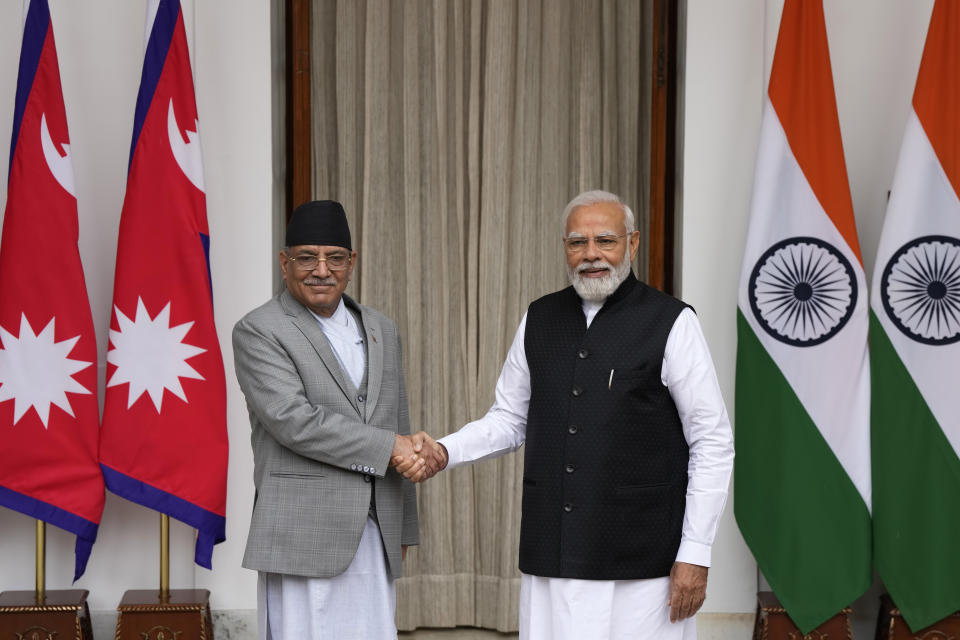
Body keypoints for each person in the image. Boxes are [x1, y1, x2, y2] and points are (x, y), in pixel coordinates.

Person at [396, 190, 735, 640]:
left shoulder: (672, 322)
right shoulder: (539, 317)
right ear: (564, 249)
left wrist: (695, 553)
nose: (591, 254)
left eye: (605, 241)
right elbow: (508, 420)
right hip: (552, 552)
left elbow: (712, 441)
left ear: (632, 245)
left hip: (642, 562)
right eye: (578, 242)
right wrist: (443, 450)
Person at [233, 200, 428, 639]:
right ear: (285, 263)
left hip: (375, 533)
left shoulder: (381, 327)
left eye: (334, 257)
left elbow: (397, 420)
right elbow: (293, 419)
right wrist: (391, 448)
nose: (321, 269)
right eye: (307, 257)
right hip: (301, 535)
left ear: (351, 263)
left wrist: (404, 526)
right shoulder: (259, 329)